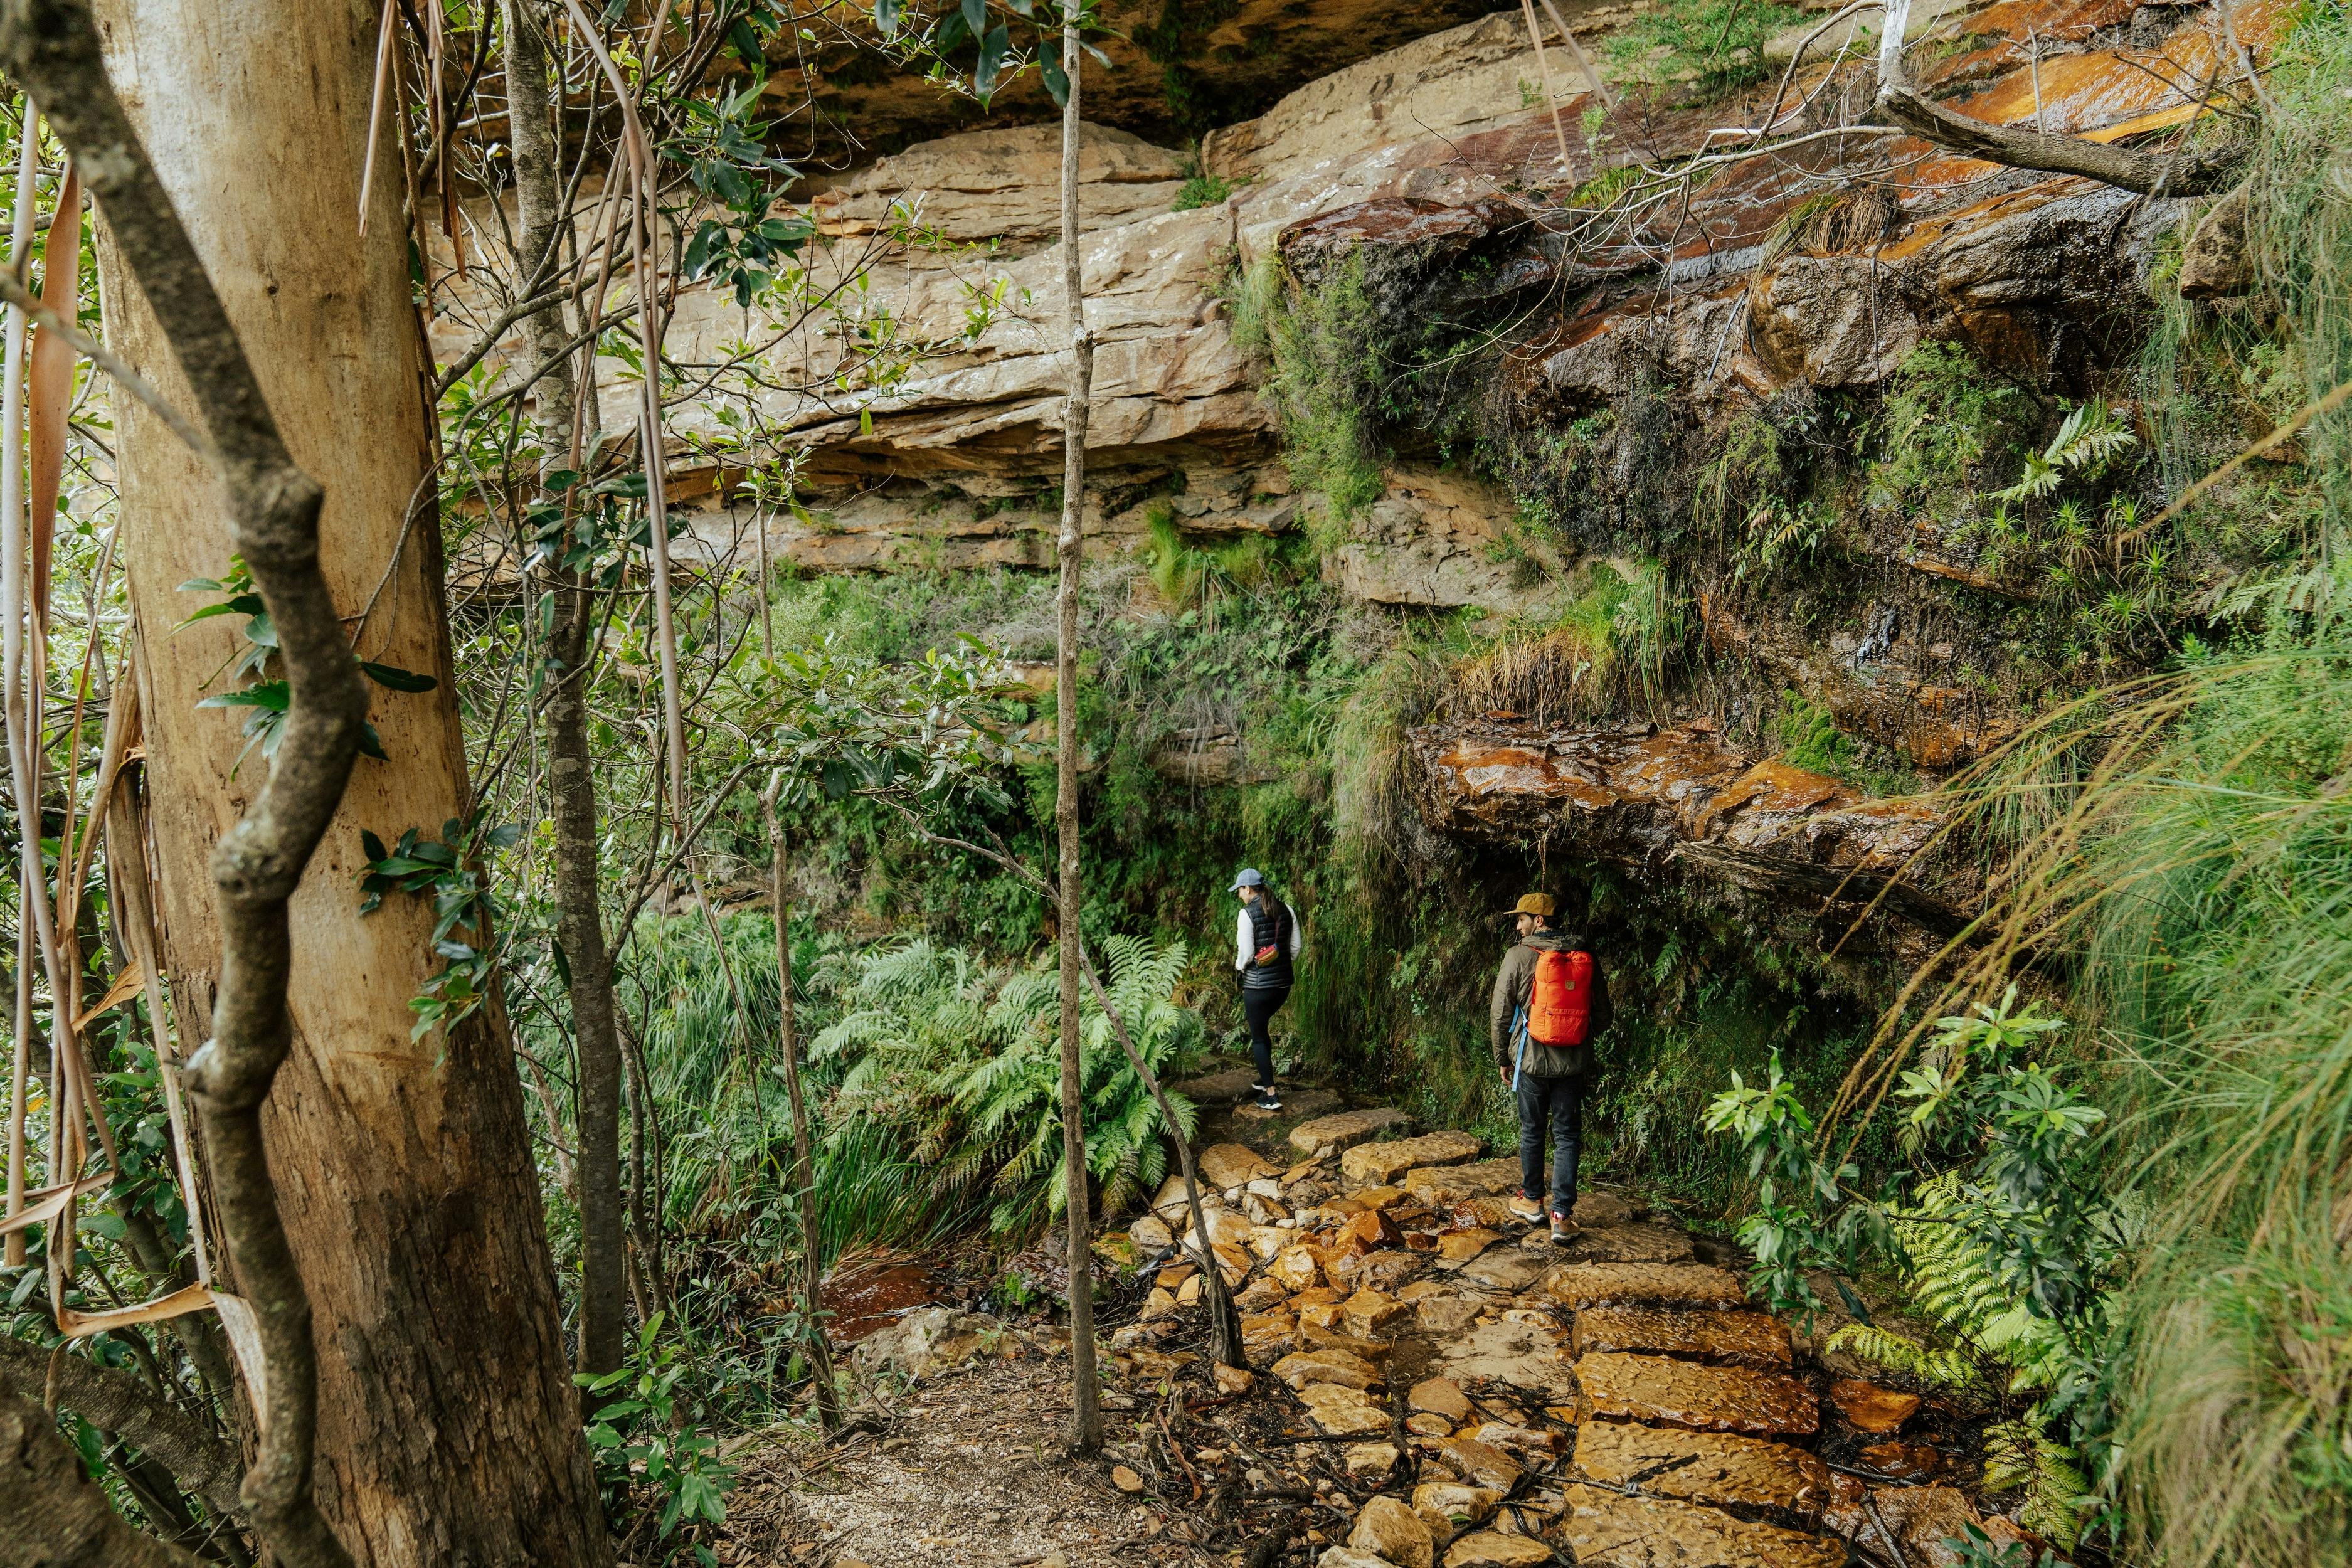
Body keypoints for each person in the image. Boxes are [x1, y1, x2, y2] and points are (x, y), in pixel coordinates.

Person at [1488, 891, 1612, 1244]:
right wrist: (1574, 1035)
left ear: (1538, 921)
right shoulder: (1584, 956)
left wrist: (1503, 1057)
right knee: (1568, 1135)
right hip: (1572, 1065)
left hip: (1529, 1061)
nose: (1518, 925)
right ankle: (1562, 1217)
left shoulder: (1517, 956)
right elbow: (1603, 1015)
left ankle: (1531, 1201)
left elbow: (1500, 1013)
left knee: (1532, 1130)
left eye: (1522, 919)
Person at [1229, 869, 1302, 1112]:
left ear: (1248, 889)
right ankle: (1265, 1077)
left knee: (1258, 1036)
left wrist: (1239, 965)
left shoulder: (1246, 914)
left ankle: (1271, 1095)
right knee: (1263, 1030)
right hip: (1283, 987)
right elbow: (1295, 949)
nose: (1239, 895)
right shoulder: (1287, 909)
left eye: (1240, 890)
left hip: (1258, 987)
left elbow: (1247, 954)